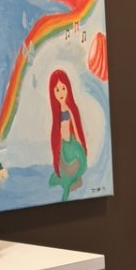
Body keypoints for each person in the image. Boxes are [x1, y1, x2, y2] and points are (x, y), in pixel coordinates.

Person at [49, 70, 87, 201]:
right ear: (52, 92)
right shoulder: (56, 112)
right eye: (57, 90)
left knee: (78, 164)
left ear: (68, 89)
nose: (60, 93)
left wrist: (80, 144)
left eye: (63, 88)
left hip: (72, 143)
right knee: (64, 167)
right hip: (63, 144)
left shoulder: (71, 109)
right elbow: (56, 131)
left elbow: (76, 127)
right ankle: (66, 181)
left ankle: (72, 181)